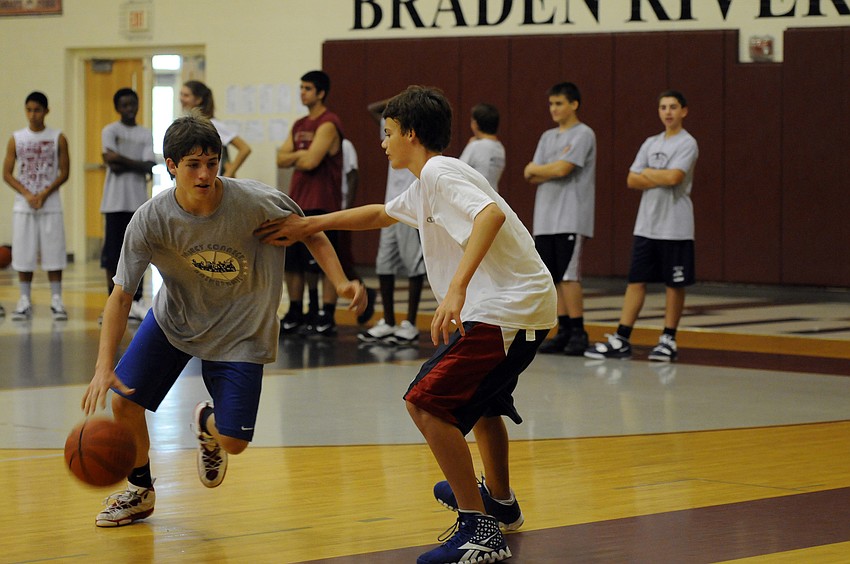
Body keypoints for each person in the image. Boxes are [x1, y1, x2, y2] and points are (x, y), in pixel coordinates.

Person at [255, 86, 557, 564]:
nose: (383, 143)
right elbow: (381, 214)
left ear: (411, 134)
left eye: (389, 132)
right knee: (484, 404)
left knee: (425, 403)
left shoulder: (439, 171)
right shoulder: (430, 179)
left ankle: (479, 531)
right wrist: (312, 226)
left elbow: (490, 216)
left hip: (506, 308)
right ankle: (499, 503)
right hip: (519, 307)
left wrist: (456, 288)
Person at [80, 111, 364, 527]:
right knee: (124, 401)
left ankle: (205, 423)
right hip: (176, 321)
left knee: (233, 441)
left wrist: (340, 283)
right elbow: (121, 295)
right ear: (171, 165)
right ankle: (139, 491)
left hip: (241, 334)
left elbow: (312, 231)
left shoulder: (254, 202)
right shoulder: (151, 219)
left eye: (212, 163)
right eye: (193, 164)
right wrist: (104, 366)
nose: (204, 174)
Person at [585, 89, 698, 363]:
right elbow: (631, 179)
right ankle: (622, 338)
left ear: (684, 111)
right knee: (636, 281)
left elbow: (674, 177)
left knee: (674, 284)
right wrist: (654, 175)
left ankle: (668, 339)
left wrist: (647, 173)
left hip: (675, 226)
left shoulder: (687, 143)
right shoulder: (650, 142)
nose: (668, 112)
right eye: (663, 107)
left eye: (673, 107)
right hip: (646, 225)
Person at [524, 82, 596, 356]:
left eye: (559, 103)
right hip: (546, 218)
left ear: (574, 104)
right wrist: (546, 169)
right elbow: (529, 173)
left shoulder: (583, 134)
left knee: (568, 275)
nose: (553, 109)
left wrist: (543, 169)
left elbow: (563, 169)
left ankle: (578, 330)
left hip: (570, 216)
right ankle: (563, 330)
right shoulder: (547, 137)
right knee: (552, 277)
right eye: (551, 104)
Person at [277, 70, 345, 337]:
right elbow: (280, 158)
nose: (302, 92)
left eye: (307, 88)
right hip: (298, 202)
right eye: (301, 88)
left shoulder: (329, 123)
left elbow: (311, 161)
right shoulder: (299, 124)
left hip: (323, 203)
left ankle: (326, 313)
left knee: (323, 261)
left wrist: (297, 155)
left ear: (321, 93)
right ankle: (295, 311)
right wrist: (302, 154)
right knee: (293, 261)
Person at [358, 98, 426, 346]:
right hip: (390, 207)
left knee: (414, 266)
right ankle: (388, 321)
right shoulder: (392, 128)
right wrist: (399, 99)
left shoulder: (415, 133)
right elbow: (372, 109)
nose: (385, 141)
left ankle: (410, 324)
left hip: (409, 208)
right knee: (384, 264)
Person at [2, 91, 70, 321]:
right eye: (29, 110)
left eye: (37, 110)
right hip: (24, 205)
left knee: (54, 251)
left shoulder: (58, 137)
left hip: (50, 203)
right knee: (23, 251)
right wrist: (27, 194)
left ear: (46, 111)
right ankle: (24, 299)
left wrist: (43, 194)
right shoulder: (16, 138)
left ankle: (56, 300)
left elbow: (64, 172)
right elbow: (7, 173)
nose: (33, 115)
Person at [100, 88, 156, 322]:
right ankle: (112, 301)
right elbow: (112, 165)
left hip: (137, 203)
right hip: (114, 202)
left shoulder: (145, 133)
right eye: (124, 105)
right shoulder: (110, 131)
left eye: (133, 104)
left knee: (138, 252)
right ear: (117, 108)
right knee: (112, 255)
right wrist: (138, 164)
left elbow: (149, 165)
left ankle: (136, 301)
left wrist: (120, 158)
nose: (129, 109)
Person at [338, 137, 377, 324]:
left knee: (342, 260)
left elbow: (353, 176)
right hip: (325, 209)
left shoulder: (345, 145)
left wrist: (347, 211)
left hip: (340, 210)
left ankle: (364, 293)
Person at [179, 80, 252, 177]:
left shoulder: (213, 124)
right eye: (181, 94)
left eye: (186, 95)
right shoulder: (188, 125)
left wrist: (228, 173)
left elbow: (245, 148)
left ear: (198, 99)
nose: (181, 99)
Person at [459, 103, 505, 192]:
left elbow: (457, 171)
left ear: (475, 124)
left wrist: (470, 145)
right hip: (492, 196)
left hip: (474, 195)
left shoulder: (475, 146)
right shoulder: (500, 148)